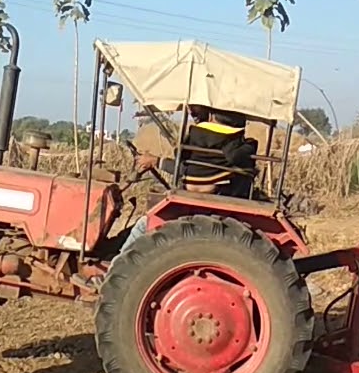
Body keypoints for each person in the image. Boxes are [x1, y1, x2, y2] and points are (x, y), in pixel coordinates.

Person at [72, 106, 259, 291]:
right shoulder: (234, 144)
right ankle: (118, 258)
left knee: (143, 224)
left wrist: (157, 161)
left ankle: (113, 276)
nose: (194, 115)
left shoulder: (200, 137)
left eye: (199, 111)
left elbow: (184, 164)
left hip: (200, 196)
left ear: (212, 116)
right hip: (214, 190)